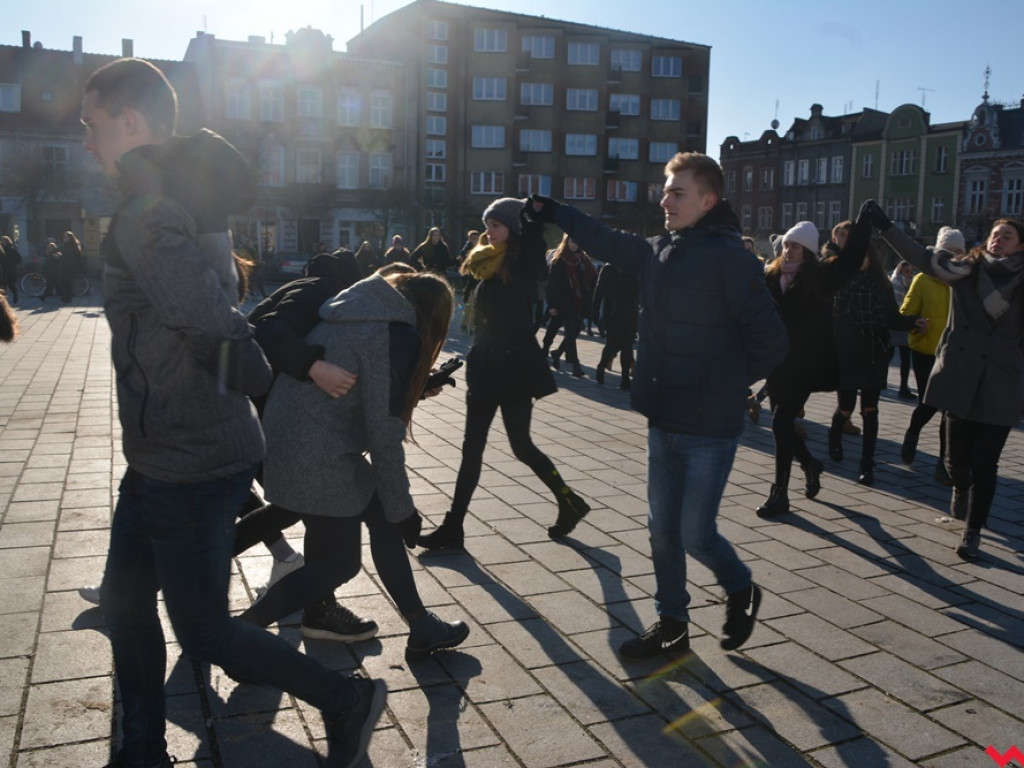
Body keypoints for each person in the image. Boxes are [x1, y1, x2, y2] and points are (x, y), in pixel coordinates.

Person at [82, 57, 384, 768]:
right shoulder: (173, 199)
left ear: (128, 122)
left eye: (93, 126)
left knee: (207, 632)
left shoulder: (148, 211)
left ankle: (346, 700)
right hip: (167, 452)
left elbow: (212, 321)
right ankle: (141, 750)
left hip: (188, 459)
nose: (87, 143)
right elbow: (205, 315)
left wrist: (252, 381)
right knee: (127, 612)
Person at [529, 152, 787, 658]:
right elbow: (606, 240)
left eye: (677, 192)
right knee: (661, 530)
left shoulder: (731, 258)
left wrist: (725, 383)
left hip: (709, 427)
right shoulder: (660, 250)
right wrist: (554, 210)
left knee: (694, 533)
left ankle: (740, 587)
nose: (664, 200)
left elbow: (772, 342)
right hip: (662, 418)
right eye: (665, 191)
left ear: (708, 200)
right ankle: (673, 624)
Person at [245, 270, 470, 660]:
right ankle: (239, 632)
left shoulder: (355, 312)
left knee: (379, 516)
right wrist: (407, 511)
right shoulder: (396, 335)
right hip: (317, 454)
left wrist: (413, 390)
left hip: (292, 442)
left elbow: (357, 395)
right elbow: (384, 437)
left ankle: (421, 626)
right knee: (339, 563)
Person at [417, 198, 591, 551]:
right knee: (471, 450)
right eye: (488, 224)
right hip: (485, 369)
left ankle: (568, 500)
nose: (488, 231)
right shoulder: (486, 264)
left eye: (496, 225)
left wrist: (532, 215)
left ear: (514, 228)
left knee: (522, 446)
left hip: (513, 370)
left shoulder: (523, 264)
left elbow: (533, 244)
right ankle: (454, 527)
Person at [864, 201, 1024, 559]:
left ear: (1020, 246)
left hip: (1001, 381)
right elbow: (920, 256)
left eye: (1008, 235)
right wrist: (887, 227)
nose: (999, 238)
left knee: (987, 463)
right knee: (956, 461)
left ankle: (972, 532)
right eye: (996, 233)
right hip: (960, 375)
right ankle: (959, 485)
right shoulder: (964, 269)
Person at [756, 218, 867, 517]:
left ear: (807, 250)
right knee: (782, 428)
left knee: (780, 424)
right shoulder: (770, 275)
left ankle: (779, 495)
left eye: (796, 246)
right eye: (787, 245)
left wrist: (863, 227)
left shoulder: (820, 276)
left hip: (806, 364)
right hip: (778, 362)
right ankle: (810, 464)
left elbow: (851, 261)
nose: (789, 250)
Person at [830, 243, 925, 485]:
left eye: (863, 255)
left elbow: (892, 318)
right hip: (847, 353)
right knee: (846, 407)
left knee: (870, 410)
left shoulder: (881, 285)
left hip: (874, 353)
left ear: (871, 258)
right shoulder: (839, 283)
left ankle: (867, 463)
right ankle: (835, 433)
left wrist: (914, 322)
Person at [899, 227, 960, 486]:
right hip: (925, 351)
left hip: (955, 354)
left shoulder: (964, 279)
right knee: (929, 403)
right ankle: (913, 432)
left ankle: (943, 464)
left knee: (950, 411)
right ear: (938, 251)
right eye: (948, 251)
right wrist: (916, 322)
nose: (953, 256)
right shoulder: (922, 279)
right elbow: (906, 310)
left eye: (958, 251)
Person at [544, 235, 596, 377]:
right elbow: (552, 285)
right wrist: (552, 305)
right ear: (566, 242)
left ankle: (557, 353)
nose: (575, 245)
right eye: (572, 242)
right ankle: (575, 365)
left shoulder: (583, 260)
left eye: (577, 242)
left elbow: (591, 279)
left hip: (578, 301)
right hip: (563, 301)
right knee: (570, 330)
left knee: (575, 330)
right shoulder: (559, 260)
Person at [591, 260, 639, 389]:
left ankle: (625, 379)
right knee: (612, 344)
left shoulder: (634, 267)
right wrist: (595, 311)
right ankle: (601, 366)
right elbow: (599, 290)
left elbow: (642, 289)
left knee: (627, 346)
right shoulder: (609, 268)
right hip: (612, 312)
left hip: (630, 312)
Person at [889, 259, 917, 399]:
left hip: (905, 325)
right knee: (887, 356)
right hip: (893, 325)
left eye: (911, 272)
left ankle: (903, 388)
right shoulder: (894, 284)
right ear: (900, 271)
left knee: (906, 360)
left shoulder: (913, 285)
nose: (909, 275)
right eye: (906, 272)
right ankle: (878, 382)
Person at [59, 231, 83, 301]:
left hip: (70, 267)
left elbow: (73, 257)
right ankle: (66, 296)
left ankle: (68, 297)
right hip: (65, 266)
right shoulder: (66, 245)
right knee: (64, 281)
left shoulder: (72, 246)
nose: (64, 238)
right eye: (64, 236)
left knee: (67, 282)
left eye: (65, 237)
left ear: (70, 238)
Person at [0, 235, 21, 303]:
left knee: (10, 285)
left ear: (6, 241)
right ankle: (3, 300)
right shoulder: (2, 249)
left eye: (2, 241)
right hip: (4, 270)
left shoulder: (11, 248)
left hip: (10, 270)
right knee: (3, 286)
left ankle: (15, 295)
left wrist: (11, 263)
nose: (1, 242)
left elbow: (19, 259)